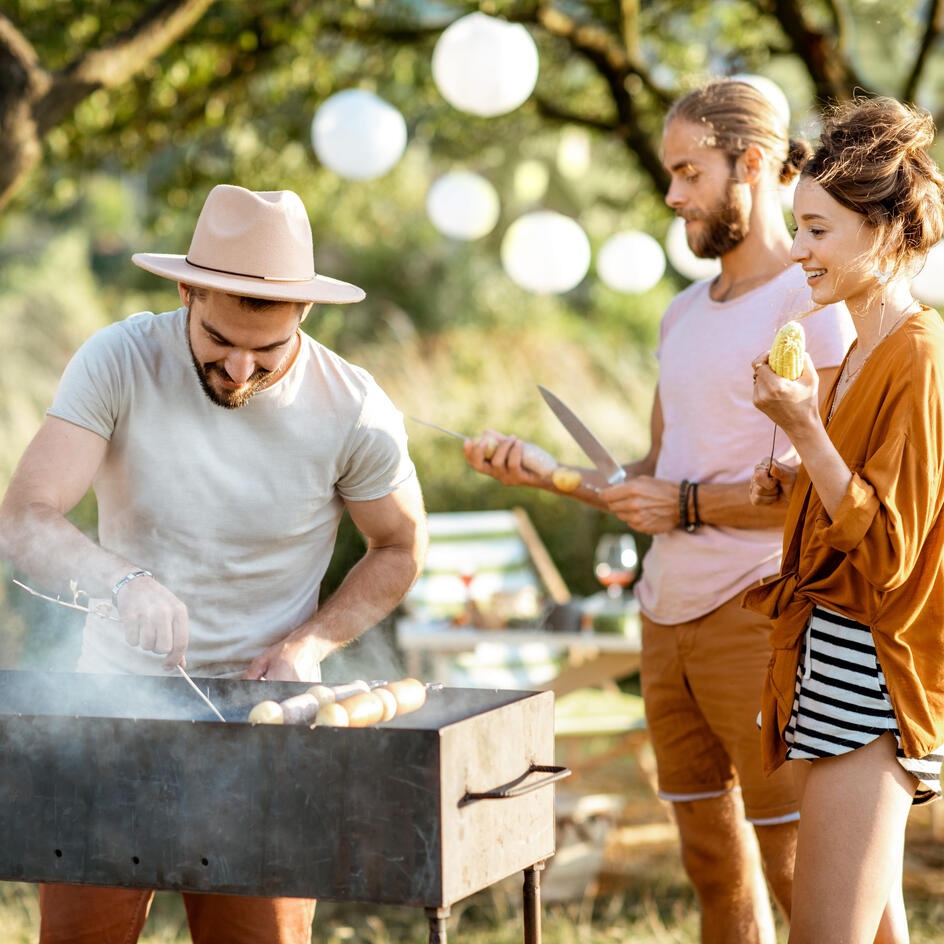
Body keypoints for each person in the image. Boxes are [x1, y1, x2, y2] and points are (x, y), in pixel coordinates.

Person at [464, 79, 854, 943]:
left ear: (752, 165)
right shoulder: (682, 314)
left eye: (689, 172)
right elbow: (651, 469)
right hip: (662, 618)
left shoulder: (809, 300)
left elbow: (820, 488)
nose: (673, 195)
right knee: (711, 868)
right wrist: (549, 475)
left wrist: (680, 504)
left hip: (757, 616)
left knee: (800, 876)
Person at [0, 184, 428, 944]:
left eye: (266, 352)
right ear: (187, 289)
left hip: (268, 727)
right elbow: (25, 514)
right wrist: (120, 580)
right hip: (114, 710)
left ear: (306, 312)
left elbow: (399, 547)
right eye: (218, 341)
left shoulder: (355, 406)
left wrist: (310, 645)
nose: (237, 370)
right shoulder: (119, 359)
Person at [748, 97, 944, 944]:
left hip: (877, 677)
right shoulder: (856, 351)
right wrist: (799, 474)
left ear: (884, 232)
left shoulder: (919, 354)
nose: (797, 251)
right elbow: (856, 495)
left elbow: (894, 549)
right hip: (833, 662)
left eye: (818, 231)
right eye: (797, 228)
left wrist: (802, 430)